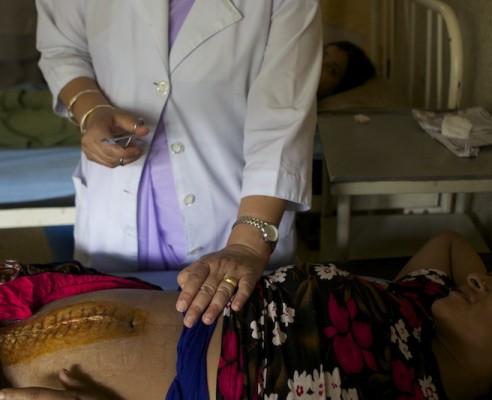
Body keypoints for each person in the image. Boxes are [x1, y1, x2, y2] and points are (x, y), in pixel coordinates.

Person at [2, 230, 492, 399]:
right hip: (52, 309)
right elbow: (448, 242)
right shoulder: (421, 305)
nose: (482, 279)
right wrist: (481, 288)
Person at [35, 1, 323, 328]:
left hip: (238, 211)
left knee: (233, 351)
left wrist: (247, 243)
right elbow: (62, 49)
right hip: (117, 206)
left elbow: (282, 110)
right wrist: (90, 109)